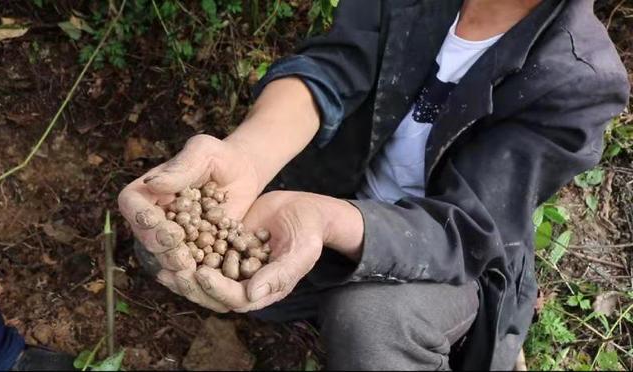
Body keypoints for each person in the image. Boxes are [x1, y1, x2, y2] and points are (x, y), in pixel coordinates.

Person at [119, 0, 630, 370]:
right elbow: (332, 67)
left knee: (369, 322)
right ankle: (315, 292)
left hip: (452, 254)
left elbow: (466, 227)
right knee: (168, 244)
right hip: (339, 192)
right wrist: (247, 157)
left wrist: (321, 219)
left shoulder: (578, 80)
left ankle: (456, 333)